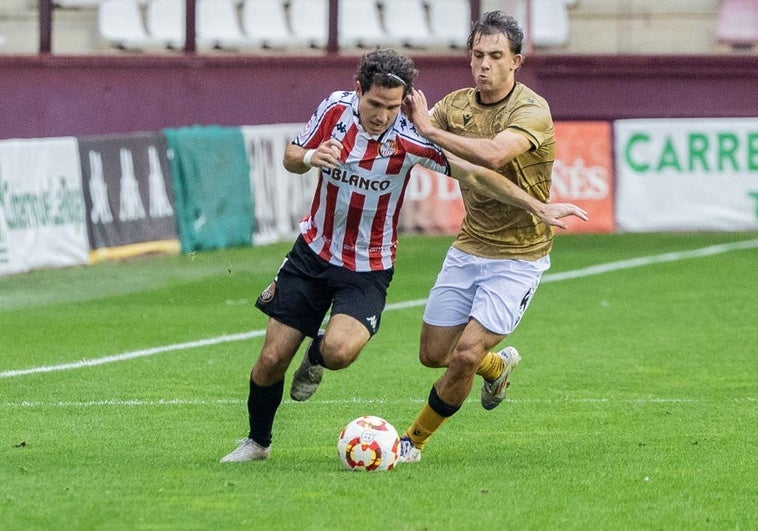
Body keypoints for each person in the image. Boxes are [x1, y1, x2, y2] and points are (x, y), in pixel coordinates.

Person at [220, 47, 585, 463]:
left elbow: (476, 174)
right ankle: (257, 443)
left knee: (338, 353)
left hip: (368, 267)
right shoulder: (333, 110)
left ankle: (316, 355)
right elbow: (290, 156)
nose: (382, 114)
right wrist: (309, 157)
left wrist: (537, 206)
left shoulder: (409, 138)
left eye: (392, 106)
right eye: (375, 104)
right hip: (312, 254)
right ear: (358, 90)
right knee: (270, 359)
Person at [396, 10, 588, 463]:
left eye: (495, 56)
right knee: (433, 354)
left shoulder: (531, 109)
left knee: (464, 354)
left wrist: (428, 129)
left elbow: (496, 155)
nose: (483, 64)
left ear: (516, 61)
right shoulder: (454, 106)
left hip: (520, 256)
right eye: (477, 54)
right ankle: (497, 368)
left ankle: (413, 441)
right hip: (469, 246)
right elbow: (406, 138)